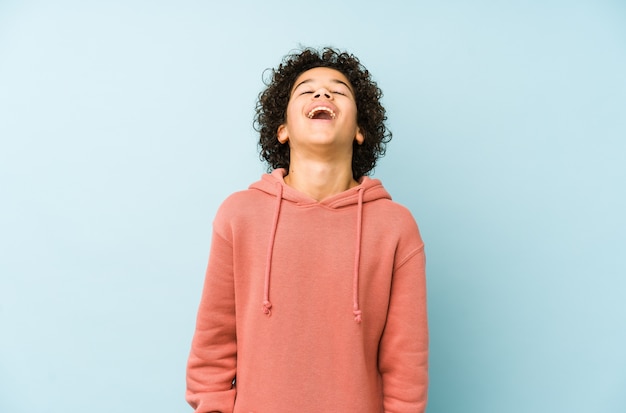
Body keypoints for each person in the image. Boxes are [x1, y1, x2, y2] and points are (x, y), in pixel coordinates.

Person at [186, 47, 428, 413]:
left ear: (360, 130)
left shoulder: (395, 227)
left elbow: (405, 368)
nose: (322, 94)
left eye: (338, 90)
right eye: (307, 90)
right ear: (281, 129)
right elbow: (212, 351)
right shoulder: (239, 215)